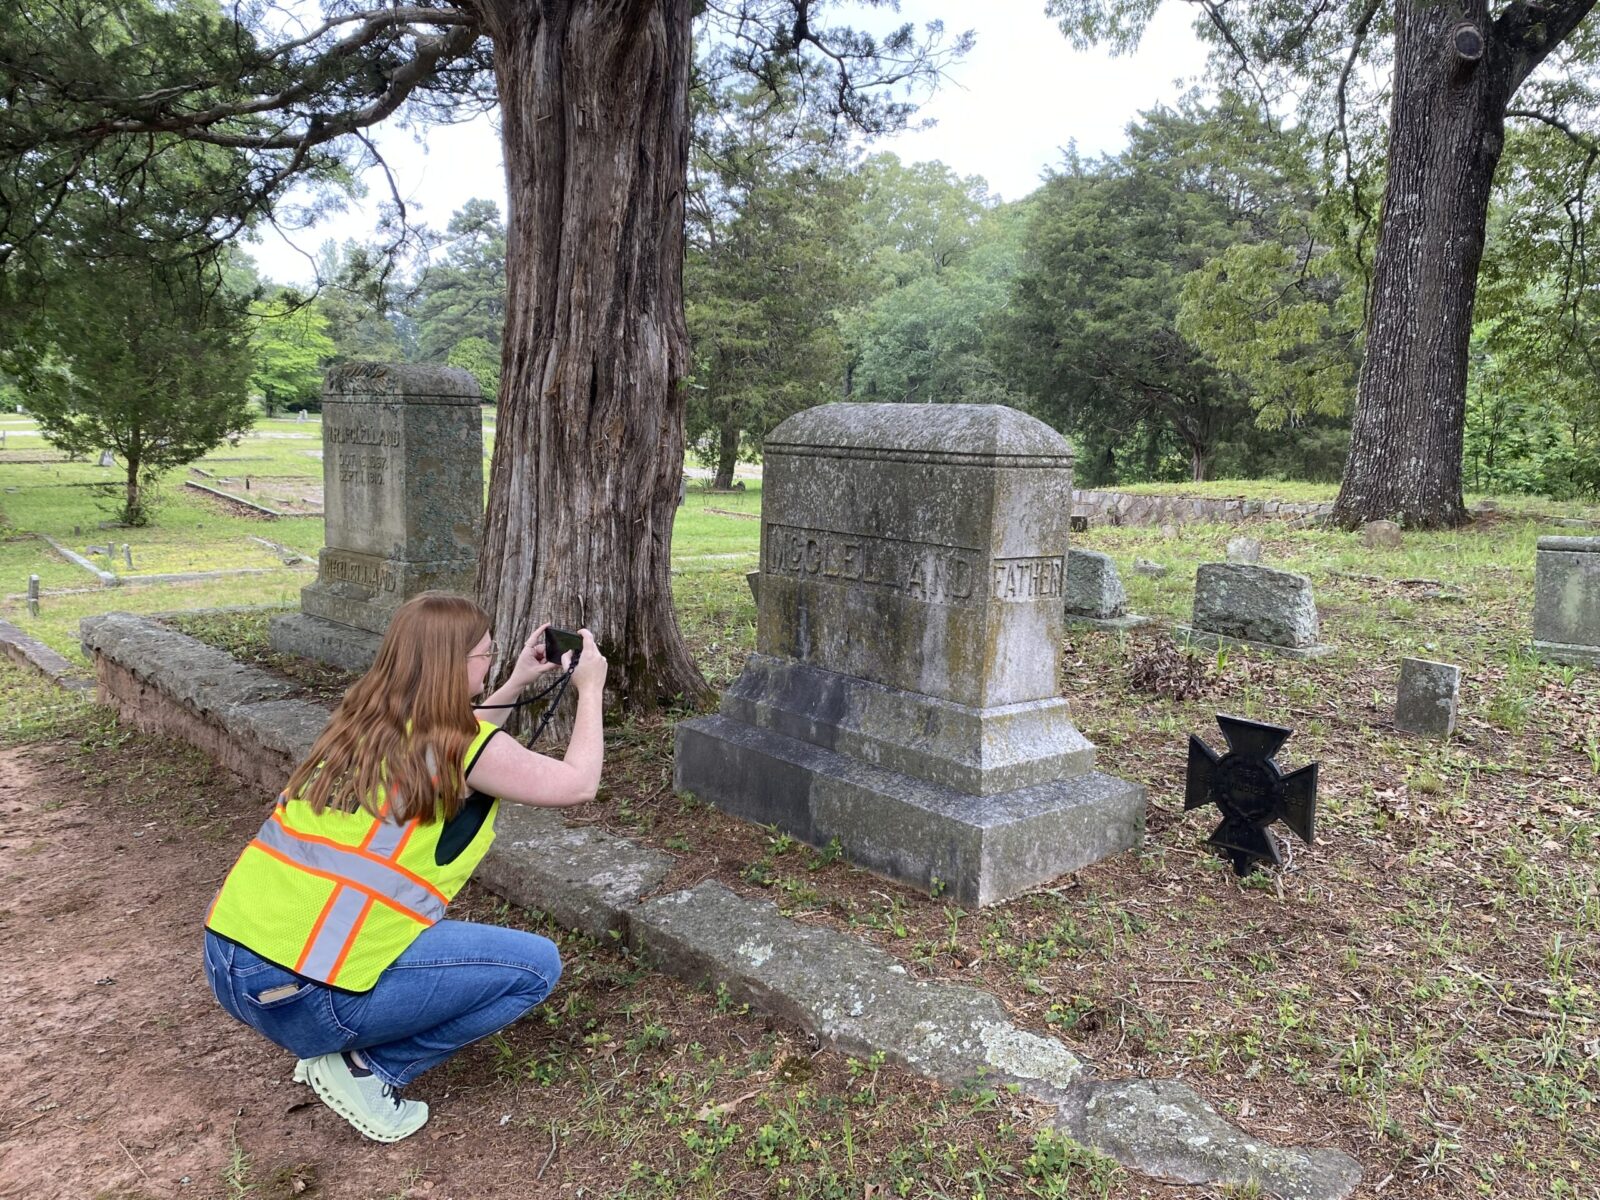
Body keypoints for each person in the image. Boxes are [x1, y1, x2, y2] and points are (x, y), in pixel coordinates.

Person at [201, 592, 607, 1143]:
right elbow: (579, 783)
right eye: (485, 656)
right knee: (536, 968)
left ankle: (335, 1041)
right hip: (304, 995)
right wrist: (590, 688)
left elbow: (455, 738)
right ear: (451, 666)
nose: (491, 662)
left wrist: (512, 684)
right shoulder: (466, 747)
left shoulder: (359, 723)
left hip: (232, 965)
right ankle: (368, 1070)